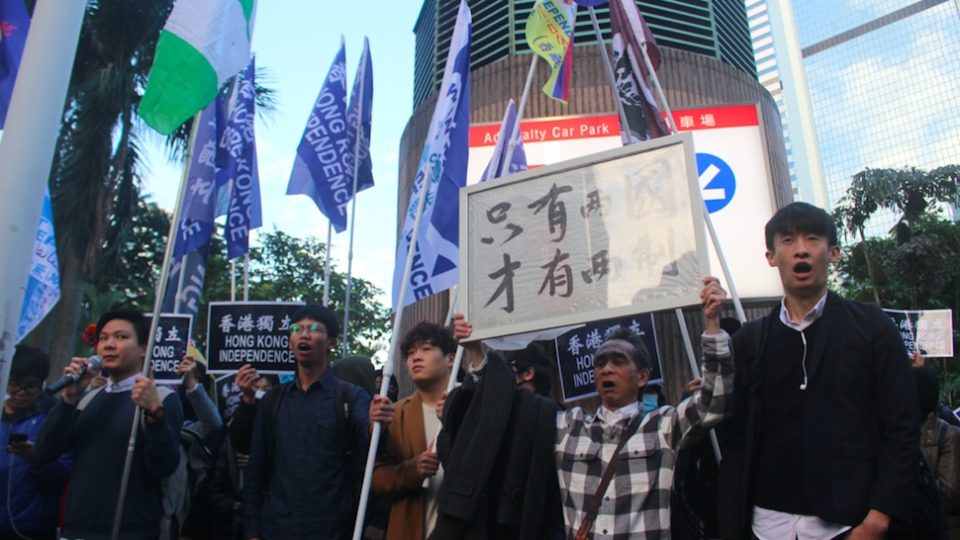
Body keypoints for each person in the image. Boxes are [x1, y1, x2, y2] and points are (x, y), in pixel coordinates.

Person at [449, 276, 732, 538]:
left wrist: (711, 323)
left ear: (643, 376)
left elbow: (714, 401)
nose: (607, 369)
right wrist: (476, 352)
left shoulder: (664, 425)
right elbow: (504, 411)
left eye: (618, 361)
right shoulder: (567, 426)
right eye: (600, 363)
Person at [717, 202, 919, 539]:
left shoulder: (870, 326)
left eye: (812, 239)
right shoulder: (750, 341)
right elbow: (735, 440)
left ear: (833, 252)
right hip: (765, 524)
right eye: (787, 241)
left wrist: (878, 518)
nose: (800, 251)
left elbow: (902, 426)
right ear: (771, 256)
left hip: (848, 523)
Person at [241, 304, 394, 540]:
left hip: (333, 529)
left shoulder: (350, 397)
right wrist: (252, 531)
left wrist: (376, 422)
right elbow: (255, 471)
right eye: (297, 329)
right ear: (290, 340)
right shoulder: (272, 401)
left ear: (330, 342)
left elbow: (370, 440)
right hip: (276, 527)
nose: (304, 334)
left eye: (313, 329)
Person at [34, 308, 184, 540]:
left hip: (129, 531)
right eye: (103, 338)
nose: (109, 345)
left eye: (121, 337)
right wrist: (67, 401)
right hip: (76, 529)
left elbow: (164, 466)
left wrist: (155, 415)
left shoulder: (160, 398)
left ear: (144, 348)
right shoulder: (88, 399)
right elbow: (43, 452)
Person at [372, 322, 456, 540]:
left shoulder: (473, 405)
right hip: (411, 529)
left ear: (451, 359)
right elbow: (377, 477)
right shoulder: (395, 413)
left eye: (426, 349)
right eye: (410, 353)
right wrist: (411, 471)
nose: (416, 357)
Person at [0, 346, 70, 540]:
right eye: (14, 384)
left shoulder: (54, 417)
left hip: (34, 527)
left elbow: (65, 473)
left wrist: (38, 459)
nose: (21, 392)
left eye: (30, 386)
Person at [915, 366, 960, 538]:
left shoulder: (949, 435)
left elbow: (950, 496)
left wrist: (900, 488)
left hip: (940, 530)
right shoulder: (895, 432)